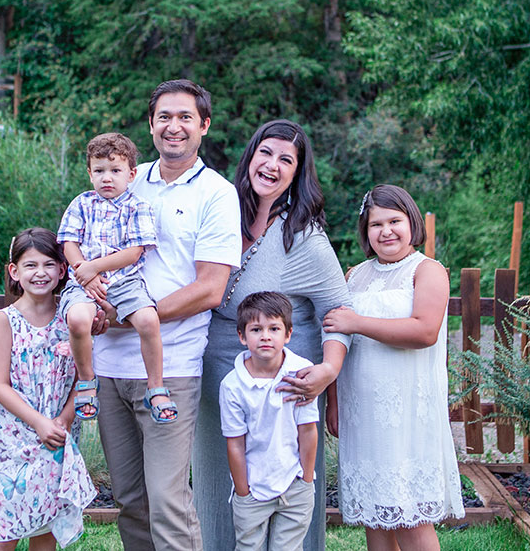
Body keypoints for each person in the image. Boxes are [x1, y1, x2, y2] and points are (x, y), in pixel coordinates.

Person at [94, 79, 242, 550]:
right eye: (164, 117)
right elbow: (90, 248)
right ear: (151, 124)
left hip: (171, 367)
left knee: (167, 500)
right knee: (130, 499)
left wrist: (135, 316)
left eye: (185, 117)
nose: (173, 126)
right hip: (109, 364)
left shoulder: (217, 194)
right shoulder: (124, 178)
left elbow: (211, 288)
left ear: (204, 125)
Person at [194, 119, 353, 551]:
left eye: (286, 159)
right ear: (250, 157)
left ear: (297, 173)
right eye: (265, 152)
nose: (272, 165)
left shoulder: (304, 238)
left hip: (285, 386)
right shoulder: (221, 214)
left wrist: (328, 371)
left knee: (288, 486)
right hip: (217, 378)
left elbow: (337, 311)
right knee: (218, 478)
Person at [323, 184, 464, 551]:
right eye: (376, 224)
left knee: (409, 516)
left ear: (412, 222)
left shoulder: (427, 270)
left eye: (394, 221)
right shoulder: (354, 275)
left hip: (406, 413)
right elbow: (338, 338)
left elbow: (424, 331)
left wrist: (357, 322)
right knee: (375, 516)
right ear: (365, 230)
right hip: (362, 412)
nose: (386, 231)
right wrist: (334, 402)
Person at [0, 228, 96, 550]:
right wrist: (39, 423)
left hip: (56, 434)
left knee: (45, 528)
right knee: (5, 534)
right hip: (12, 440)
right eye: (30, 265)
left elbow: (84, 378)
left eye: (48, 264)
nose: (40, 273)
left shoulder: (73, 319)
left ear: (62, 270)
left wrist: (64, 419)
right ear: (14, 271)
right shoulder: (5, 321)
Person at [57, 132, 176, 424]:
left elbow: (134, 253)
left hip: (125, 282)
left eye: (115, 170)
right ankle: (87, 381)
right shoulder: (81, 204)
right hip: (84, 284)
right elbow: (69, 243)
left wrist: (93, 267)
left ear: (131, 174)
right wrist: (84, 272)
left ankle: (156, 387)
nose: (106, 178)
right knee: (78, 320)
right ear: (90, 174)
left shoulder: (138, 206)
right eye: (99, 171)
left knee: (148, 320)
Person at [220, 291, 319, 551]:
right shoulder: (232, 385)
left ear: (288, 334)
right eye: (256, 329)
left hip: (294, 483)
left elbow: (308, 431)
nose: (265, 336)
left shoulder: (301, 374)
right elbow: (235, 443)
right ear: (242, 336)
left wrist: (306, 480)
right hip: (252, 488)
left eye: (274, 328)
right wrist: (243, 492)